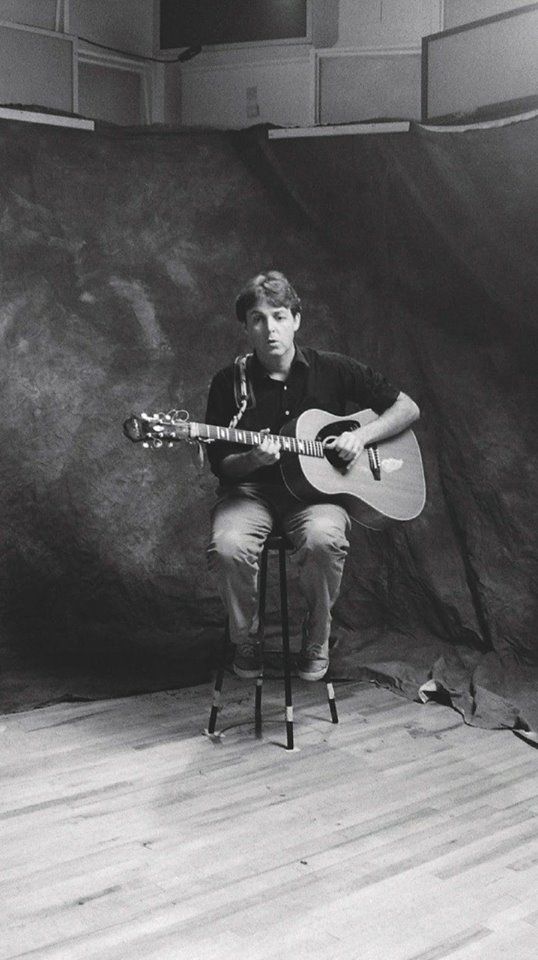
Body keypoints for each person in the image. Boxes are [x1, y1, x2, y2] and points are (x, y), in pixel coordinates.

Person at [205, 271, 419, 681]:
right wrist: (252, 458)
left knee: (325, 539)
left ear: (296, 320)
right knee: (228, 546)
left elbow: (407, 408)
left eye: (280, 316)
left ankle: (317, 637)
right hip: (251, 495)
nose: (270, 329)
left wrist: (361, 436)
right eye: (258, 319)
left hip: (315, 498)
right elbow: (222, 464)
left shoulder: (332, 369)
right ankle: (245, 638)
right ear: (246, 326)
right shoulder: (228, 383)